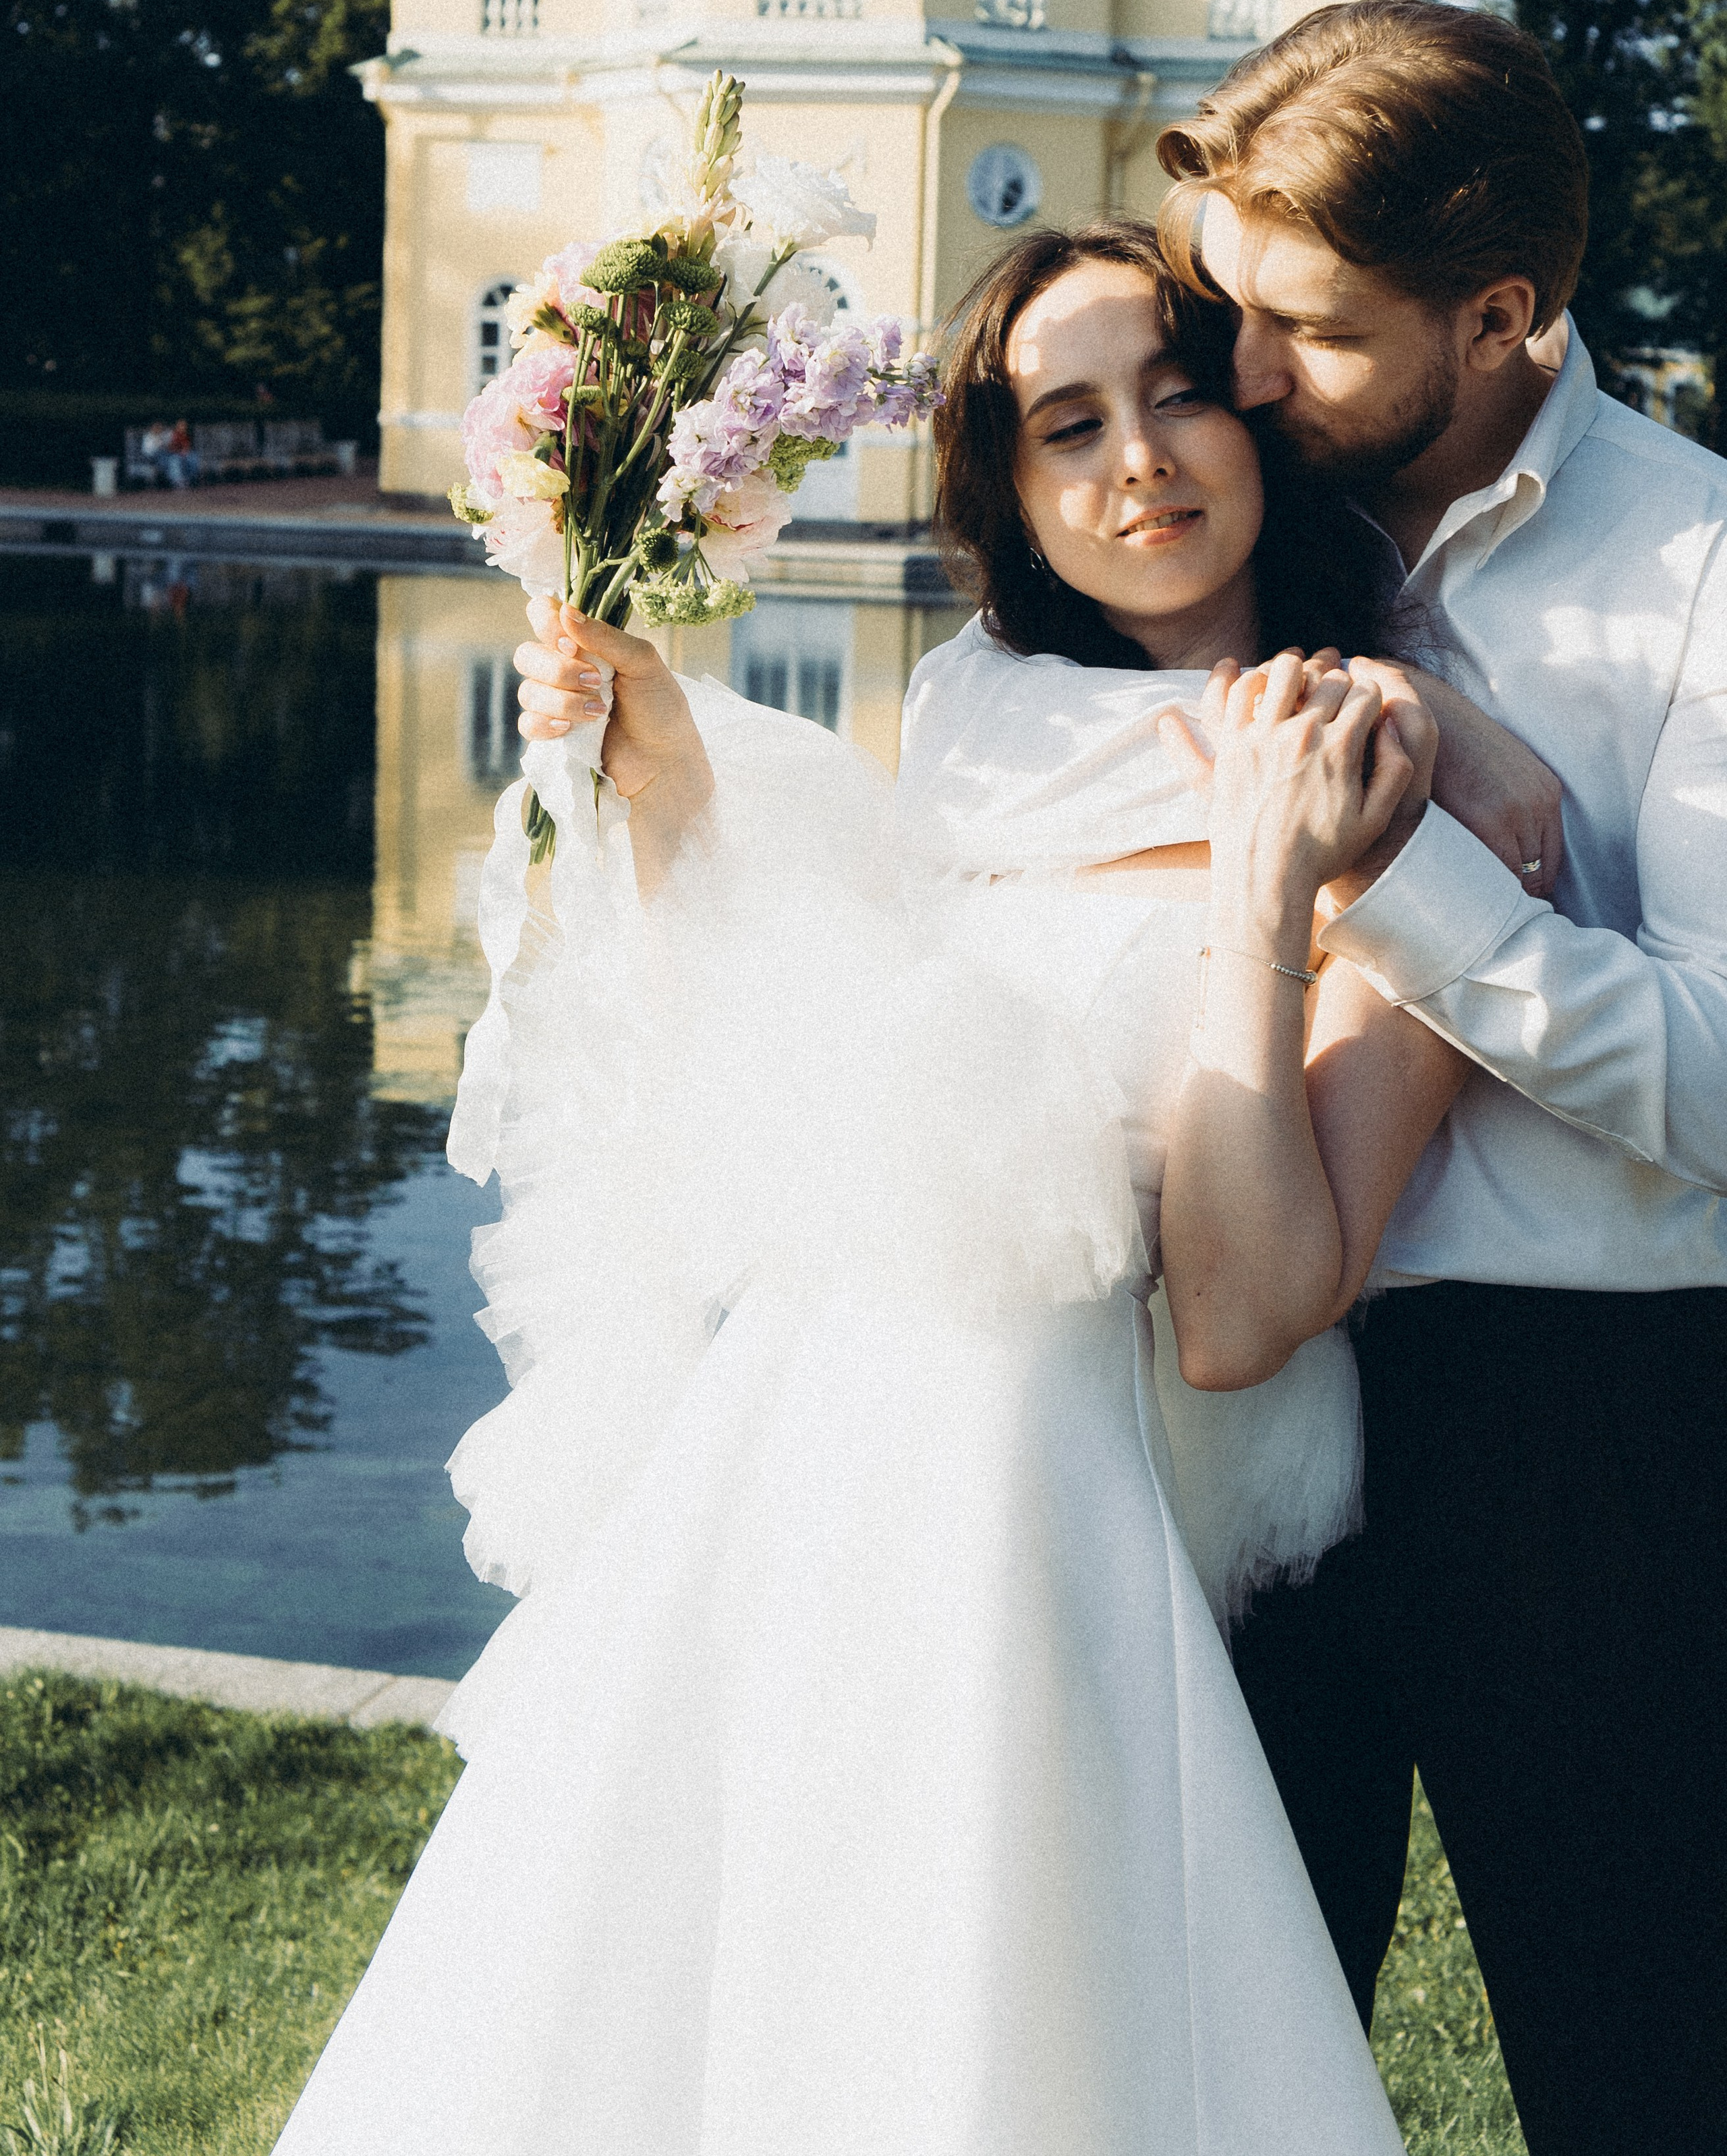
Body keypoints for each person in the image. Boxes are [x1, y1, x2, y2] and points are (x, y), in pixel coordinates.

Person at [268, 221, 1530, 2155]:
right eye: (1068, 422)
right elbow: (793, 1094)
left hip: (1066, 1495)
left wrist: (1265, 895)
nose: (1141, 460)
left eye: (1182, 387)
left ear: (1259, 412)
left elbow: (1252, 1308)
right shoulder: (976, 730)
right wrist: (662, 779)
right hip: (811, 1448)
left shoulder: (1389, 767)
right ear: (1013, 494)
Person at [1153, 0, 1727, 2156]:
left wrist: (1404, 885)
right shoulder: (1217, 514)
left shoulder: (1705, 574)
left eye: (1306, 329)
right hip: (1217, 1426)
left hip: (1590, 1441)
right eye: (1234, 310)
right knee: (1197, 2069)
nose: (1248, 381)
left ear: (1504, 314)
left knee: (1643, 2074)